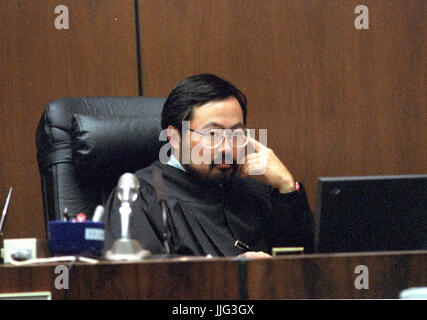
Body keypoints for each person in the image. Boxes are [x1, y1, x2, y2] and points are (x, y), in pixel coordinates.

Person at [103, 74, 314, 257]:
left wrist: (287, 189)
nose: (228, 148)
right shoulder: (142, 197)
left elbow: (302, 273)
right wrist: (234, 275)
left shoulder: (255, 193)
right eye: (213, 134)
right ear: (174, 137)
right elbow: (139, 284)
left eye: (237, 134)